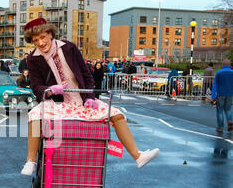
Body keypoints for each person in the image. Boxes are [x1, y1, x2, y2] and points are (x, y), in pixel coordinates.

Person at [20, 18, 159, 176]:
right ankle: (30, 161)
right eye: (35, 40)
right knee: (35, 115)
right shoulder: (32, 58)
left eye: (43, 37)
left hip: (81, 101)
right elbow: (36, 87)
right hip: (56, 103)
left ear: (50, 33)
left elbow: (87, 75)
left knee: (117, 115)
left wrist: (90, 97)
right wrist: (51, 90)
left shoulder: (69, 48)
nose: (40, 42)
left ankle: (138, 156)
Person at [211, 59, 233, 132]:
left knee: (220, 111)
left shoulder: (219, 73)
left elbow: (215, 85)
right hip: (230, 94)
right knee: (228, 109)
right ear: (230, 65)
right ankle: (230, 121)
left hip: (220, 94)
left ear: (222, 65)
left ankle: (220, 127)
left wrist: (213, 96)